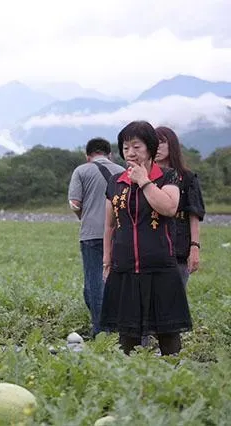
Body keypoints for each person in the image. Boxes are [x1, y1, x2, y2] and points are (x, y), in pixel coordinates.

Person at [100, 120, 192, 356]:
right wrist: (107, 262)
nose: (129, 153)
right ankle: (132, 382)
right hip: (125, 267)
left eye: (136, 147)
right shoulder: (115, 182)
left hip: (160, 267)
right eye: (125, 147)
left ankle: (173, 378)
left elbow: (169, 208)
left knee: (168, 333)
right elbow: (110, 225)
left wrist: (144, 181)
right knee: (127, 335)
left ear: (150, 148)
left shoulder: (168, 177)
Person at [68, 138, 125, 337]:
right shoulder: (121, 171)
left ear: (88, 155)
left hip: (91, 234)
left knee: (94, 284)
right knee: (118, 280)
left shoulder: (81, 171)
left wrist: (83, 216)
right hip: (120, 233)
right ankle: (119, 328)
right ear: (110, 154)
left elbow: (75, 203)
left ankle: (101, 333)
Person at [154, 126, 206, 287]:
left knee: (175, 298)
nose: (157, 147)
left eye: (161, 143)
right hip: (151, 245)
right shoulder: (144, 177)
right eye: (153, 143)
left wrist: (195, 247)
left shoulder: (187, 177)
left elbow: (194, 214)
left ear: (172, 145)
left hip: (179, 245)